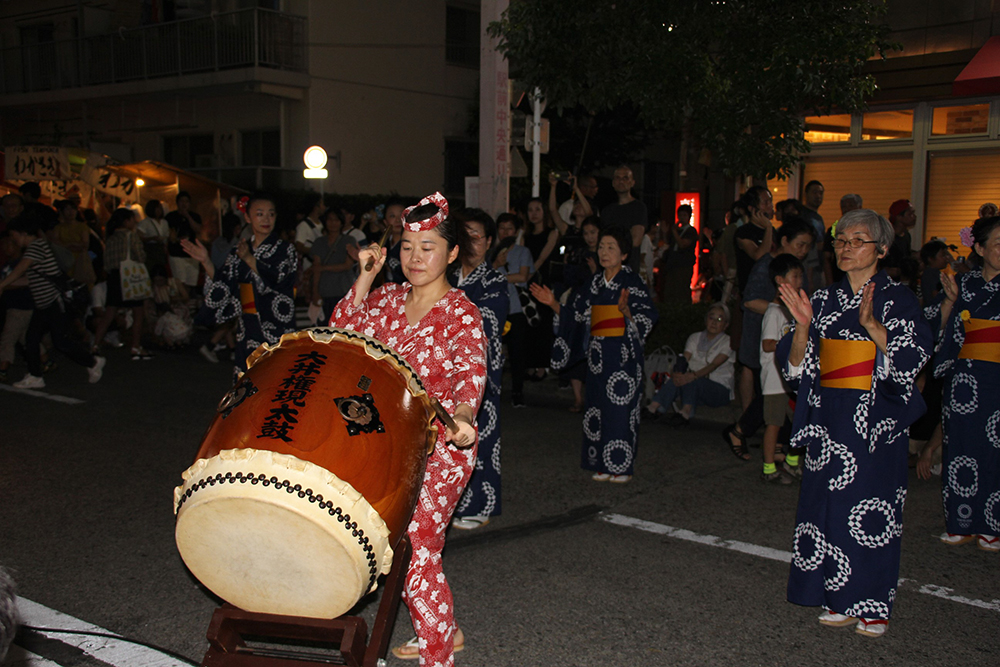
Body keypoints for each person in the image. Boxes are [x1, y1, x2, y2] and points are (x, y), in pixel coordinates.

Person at [330, 192, 485, 667]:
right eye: (407, 246)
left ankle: (438, 657)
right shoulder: (388, 299)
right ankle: (443, 626)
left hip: (441, 446)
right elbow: (341, 336)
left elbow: (469, 378)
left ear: (452, 253)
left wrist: (462, 419)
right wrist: (366, 274)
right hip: (384, 441)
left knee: (416, 550)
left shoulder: (462, 314)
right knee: (378, 542)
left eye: (428, 247)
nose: (415, 258)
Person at [777, 208, 932, 638]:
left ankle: (872, 603)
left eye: (857, 240)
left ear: (881, 249)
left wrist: (872, 327)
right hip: (830, 419)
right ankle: (836, 596)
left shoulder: (898, 298)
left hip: (873, 420)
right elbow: (795, 368)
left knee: (870, 509)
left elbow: (914, 356)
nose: (845, 248)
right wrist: (804, 327)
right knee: (827, 508)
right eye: (841, 240)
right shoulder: (823, 299)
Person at [532, 225, 658, 483]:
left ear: (624, 255)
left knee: (620, 410)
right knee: (598, 409)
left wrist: (626, 311)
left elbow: (648, 316)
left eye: (611, 247)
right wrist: (553, 304)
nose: (604, 252)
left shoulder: (632, 281)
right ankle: (601, 462)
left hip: (622, 356)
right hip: (598, 357)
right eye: (601, 247)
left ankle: (620, 465)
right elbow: (576, 317)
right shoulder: (594, 283)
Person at [931, 215, 1000, 552]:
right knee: (960, 447)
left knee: (994, 452)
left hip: (998, 378)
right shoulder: (964, 283)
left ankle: (993, 524)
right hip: (965, 380)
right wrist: (949, 302)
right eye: (998, 243)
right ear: (980, 248)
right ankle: (960, 521)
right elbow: (941, 328)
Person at [724, 218, 814, 460]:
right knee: (772, 393)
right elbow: (750, 300)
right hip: (766, 334)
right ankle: (742, 432)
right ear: (784, 240)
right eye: (800, 244)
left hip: (784, 334)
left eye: (808, 246)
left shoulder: (795, 269)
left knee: (778, 395)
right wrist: (784, 311)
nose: (803, 250)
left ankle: (770, 444)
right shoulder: (768, 266)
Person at [182, 192, 298, 374]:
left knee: (274, 378)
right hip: (248, 325)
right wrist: (206, 261)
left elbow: (279, 278)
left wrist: (250, 260)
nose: (266, 219)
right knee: (246, 378)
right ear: (247, 217)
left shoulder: (285, 249)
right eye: (259, 214)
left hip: (276, 323)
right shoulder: (239, 249)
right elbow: (224, 283)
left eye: (271, 214)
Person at [449, 208, 510, 530]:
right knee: (446, 433)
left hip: (479, 367)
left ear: (488, 242)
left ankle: (480, 503)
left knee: (480, 431)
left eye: (478, 235)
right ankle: (447, 501)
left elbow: (490, 322)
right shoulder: (444, 275)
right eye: (466, 233)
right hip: (445, 366)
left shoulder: (495, 280)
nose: (472, 240)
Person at [0, 217, 105, 388]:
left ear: (23, 233)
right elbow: (28, 280)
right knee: (32, 338)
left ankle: (93, 362)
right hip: (44, 304)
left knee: (59, 341)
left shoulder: (36, 246)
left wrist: (2, 285)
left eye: (14, 236)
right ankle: (35, 375)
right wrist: (5, 286)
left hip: (52, 302)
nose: (13, 241)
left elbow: (22, 269)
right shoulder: (36, 247)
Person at [644, 303, 735, 427]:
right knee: (681, 377)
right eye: (711, 318)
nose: (714, 322)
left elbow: (713, 365)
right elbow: (685, 359)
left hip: (718, 388)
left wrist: (692, 376)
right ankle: (654, 407)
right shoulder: (695, 337)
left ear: (726, 325)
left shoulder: (728, 342)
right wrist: (677, 374)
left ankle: (686, 411)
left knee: (692, 379)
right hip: (694, 387)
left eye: (719, 319)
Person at [758, 254, 803, 484]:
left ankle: (791, 461)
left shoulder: (791, 311)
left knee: (800, 421)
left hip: (790, 378)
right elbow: (767, 344)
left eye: (799, 276)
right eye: (794, 276)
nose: (799, 281)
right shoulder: (774, 312)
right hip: (775, 379)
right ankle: (768, 467)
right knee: (774, 424)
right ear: (779, 280)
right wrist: (790, 344)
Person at [90, 208, 151, 361]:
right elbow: (140, 256)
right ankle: (135, 347)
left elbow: (107, 262)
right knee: (138, 312)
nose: (134, 222)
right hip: (131, 277)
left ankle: (95, 345)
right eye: (132, 219)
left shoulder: (110, 238)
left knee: (110, 312)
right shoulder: (132, 236)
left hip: (114, 277)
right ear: (126, 221)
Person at [492, 213, 534, 408]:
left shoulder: (523, 251)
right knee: (493, 353)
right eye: (502, 228)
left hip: (516, 308)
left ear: (516, 231)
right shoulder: (491, 252)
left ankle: (518, 392)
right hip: (495, 309)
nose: (505, 232)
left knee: (518, 353)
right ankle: (492, 391)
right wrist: (495, 265)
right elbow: (483, 276)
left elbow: (523, 277)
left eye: (509, 229)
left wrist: (498, 275)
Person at [310, 208, 358, 324]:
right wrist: (315, 291)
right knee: (324, 327)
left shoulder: (348, 240)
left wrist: (323, 268)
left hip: (343, 290)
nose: (333, 223)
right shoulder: (319, 242)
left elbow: (347, 265)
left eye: (336, 220)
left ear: (341, 222)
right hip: (324, 290)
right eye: (330, 220)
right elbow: (316, 268)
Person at [601, 165, 647, 273]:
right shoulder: (607, 210)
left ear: (632, 182)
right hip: (607, 269)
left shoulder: (638, 208)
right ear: (613, 183)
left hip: (628, 269)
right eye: (618, 178)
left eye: (625, 178)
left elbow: (636, 240)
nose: (621, 181)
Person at [660, 204, 699, 303]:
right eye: (680, 215)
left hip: (683, 265)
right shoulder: (677, 231)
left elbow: (682, 244)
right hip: (672, 264)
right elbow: (668, 243)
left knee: (682, 291)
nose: (682, 218)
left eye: (684, 215)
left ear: (689, 217)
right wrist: (665, 233)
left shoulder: (691, 231)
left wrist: (674, 231)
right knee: (670, 290)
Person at [52, 199, 95, 286]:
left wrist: (67, 245)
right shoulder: (58, 228)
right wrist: (71, 245)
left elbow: (85, 244)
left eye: (73, 209)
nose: (70, 212)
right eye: (67, 209)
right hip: (64, 260)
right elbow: (56, 243)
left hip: (80, 260)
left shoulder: (82, 226)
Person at [166, 191, 203, 288]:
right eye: (181, 201)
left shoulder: (195, 216)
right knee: (179, 281)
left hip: (191, 254)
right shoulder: (170, 217)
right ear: (177, 203)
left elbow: (198, 229)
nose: (184, 204)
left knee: (192, 281)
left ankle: (188, 300)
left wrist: (188, 216)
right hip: (176, 253)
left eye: (186, 201)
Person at [800, 180, 825, 292]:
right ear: (806, 194)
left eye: (820, 193)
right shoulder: (802, 216)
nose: (818, 196)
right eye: (814, 192)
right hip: (806, 266)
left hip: (818, 267)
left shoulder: (819, 218)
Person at [137, 199, 170, 275]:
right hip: (150, 249)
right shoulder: (145, 222)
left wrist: (165, 246)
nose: (159, 210)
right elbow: (139, 237)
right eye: (156, 208)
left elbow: (167, 236)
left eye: (160, 208)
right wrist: (151, 238)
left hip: (161, 249)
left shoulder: (164, 222)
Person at [382, 198, 407, 284]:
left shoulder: (413, 244)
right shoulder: (383, 244)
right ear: (385, 222)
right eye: (392, 216)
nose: (398, 220)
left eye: (401, 215)